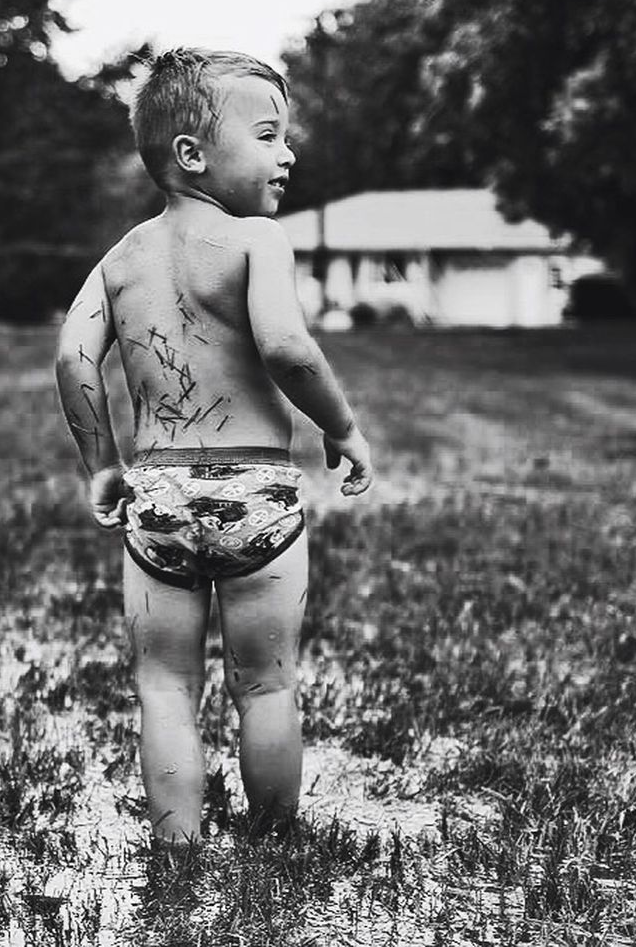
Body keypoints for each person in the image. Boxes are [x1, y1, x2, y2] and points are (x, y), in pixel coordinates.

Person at [55, 48, 372, 846]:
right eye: (268, 136)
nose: (287, 153)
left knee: (162, 685)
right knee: (266, 684)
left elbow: (71, 356)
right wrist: (340, 426)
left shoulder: (120, 257)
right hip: (255, 493)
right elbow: (290, 348)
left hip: (156, 494)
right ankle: (272, 837)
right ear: (192, 155)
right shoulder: (257, 241)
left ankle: (178, 841)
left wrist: (101, 464)